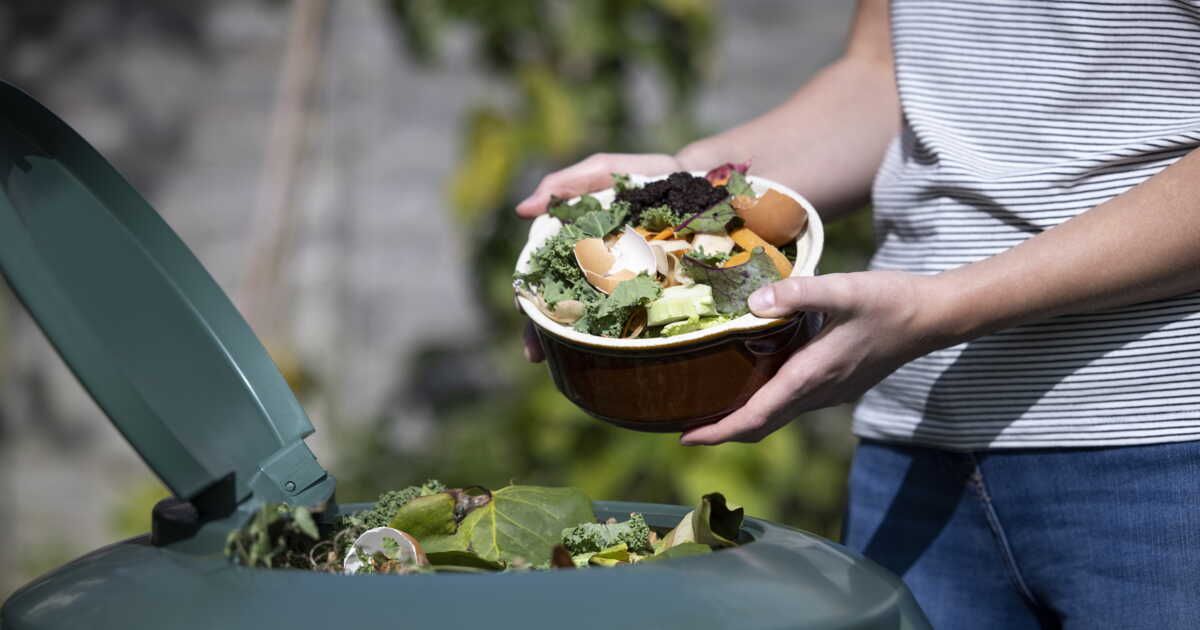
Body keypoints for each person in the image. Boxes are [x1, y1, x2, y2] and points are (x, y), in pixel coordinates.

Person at [516, 1, 1200, 627]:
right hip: (914, 452)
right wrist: (678, 184)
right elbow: (886, 76)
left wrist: (942, 307)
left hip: (1158, 455)